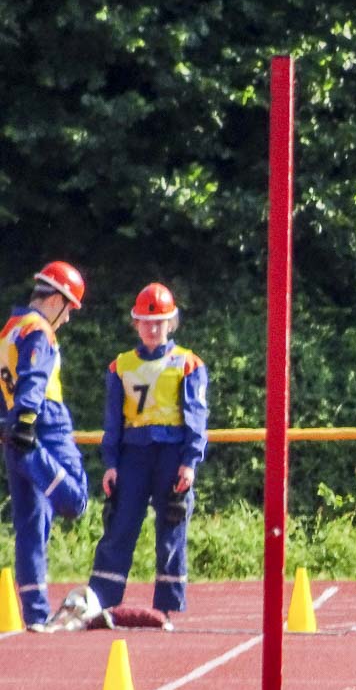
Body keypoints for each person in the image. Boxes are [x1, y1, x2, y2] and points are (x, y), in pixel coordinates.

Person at [66, 283, 207, 626]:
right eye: (146, 322)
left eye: (159, 322)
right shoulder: (120, 366)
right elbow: (113, 420)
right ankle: (102, 598)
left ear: (171, 323)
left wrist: (190, 461)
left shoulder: (187, 363)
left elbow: (196, 415)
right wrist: (111, 464)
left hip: (171, 454)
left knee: (171, 527)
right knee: (120, 525)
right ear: (136, 324)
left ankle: (167, 606)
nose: (152, 328)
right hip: (132, 455)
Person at [0, 262, 91, 629]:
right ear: (56, 300)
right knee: (77, 499)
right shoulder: (39, 331)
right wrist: (26, 423)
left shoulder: (8, 330)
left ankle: (36, 615)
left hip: (9, 424)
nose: (67, 319)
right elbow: (34, 377)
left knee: (31, 522)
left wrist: (11, 424)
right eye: (68, 310)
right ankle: (32, 455)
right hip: (42, 420)